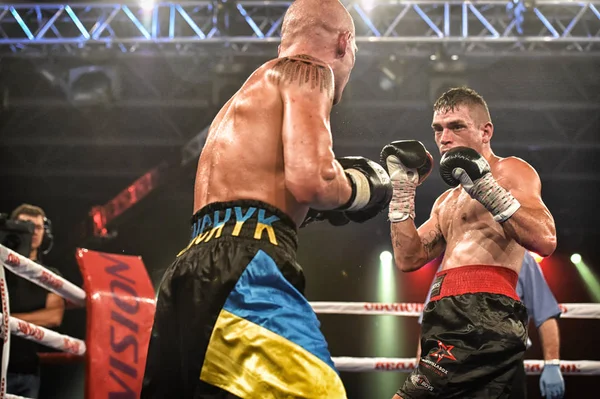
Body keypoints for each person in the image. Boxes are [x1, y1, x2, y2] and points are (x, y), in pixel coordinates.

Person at [141, 1, 392, 398]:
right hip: (244, 269)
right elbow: (314, 181)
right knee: (320, 392)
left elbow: (255, 199)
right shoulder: (311, 71)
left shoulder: (242, 99)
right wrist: (369, 185)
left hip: (186, 274)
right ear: (345, 42)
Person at [380, 86, 557, 398]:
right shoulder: (445, 200)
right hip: (445, 315)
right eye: (438, 129)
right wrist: (402, 193)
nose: (444, 138)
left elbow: (545, 239)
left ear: (485, 131)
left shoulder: (510, 171)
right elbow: (408, 259)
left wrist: (487, 189)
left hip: (482, 315)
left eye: (456, 126)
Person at [416, 252, 565, 398]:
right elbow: (432, 320)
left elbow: (545, 312)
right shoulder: (452, 259)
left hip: (505, 365)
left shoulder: (521, 257)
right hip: (457, 365)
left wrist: (552, 364)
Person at [3, 204, 65, 398]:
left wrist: (7, 321)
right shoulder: (0, 268)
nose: (32, 231)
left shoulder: (50, 276)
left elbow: (54, 316)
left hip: (26, 370)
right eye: (25, 225)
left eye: (37, 227)